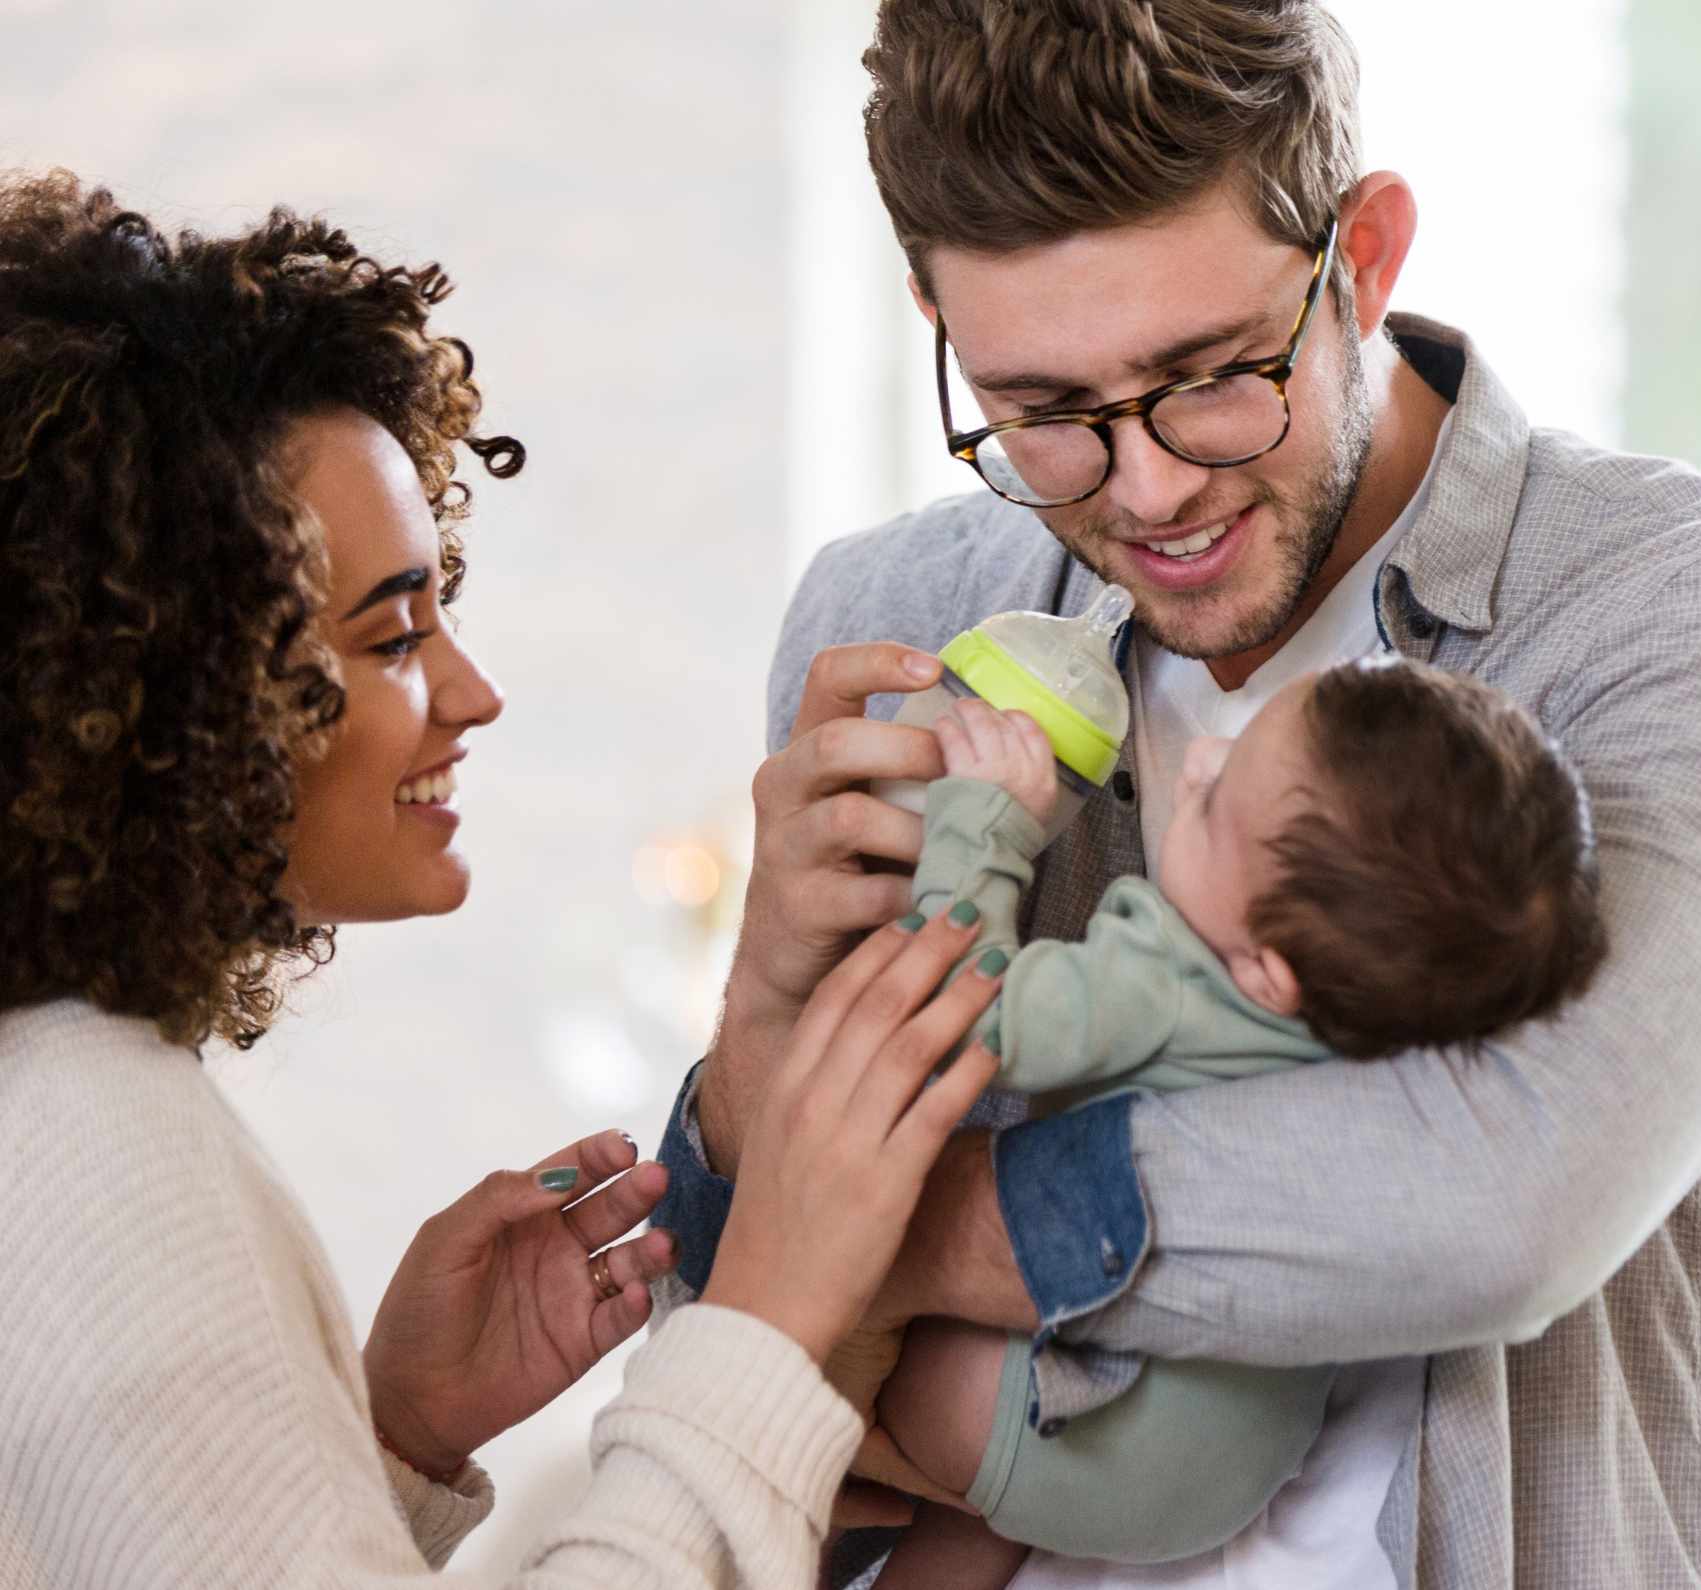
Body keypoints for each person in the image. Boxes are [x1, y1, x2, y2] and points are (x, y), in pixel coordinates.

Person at [652, 2, 1701, 1585]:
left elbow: (1503, 1197)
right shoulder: (898, 619)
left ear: (1363, 258)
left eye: (1209, 375)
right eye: (1045, 412)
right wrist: (763, 1018)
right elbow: (767, 1444)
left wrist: (859, 1226)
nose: (1153, 486)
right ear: (938, 326)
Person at [0, 170, 999, 1588]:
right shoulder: (92, 1140)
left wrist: (386, 1432)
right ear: (172, 683)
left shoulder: (64, 1098)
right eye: (393, 636)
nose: (474, 693)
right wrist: (770, 1311)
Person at [870, 658, 1607, 1585]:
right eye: (1238, 741)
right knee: (978, 1511)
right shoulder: (1386, 1027)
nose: (1199, 759)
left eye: (1216, 807)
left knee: (819, 1350)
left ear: (1265, 972)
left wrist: (984, 821)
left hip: (1100, 1437)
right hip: (1225, 1464)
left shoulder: (1170, 978)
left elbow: (969, 1019)